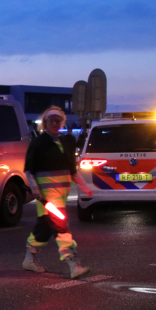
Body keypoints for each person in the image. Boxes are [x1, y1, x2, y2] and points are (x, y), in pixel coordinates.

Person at [22, 106, 94, 279]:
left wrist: (85, 188)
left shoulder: (67, 142)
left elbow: (72, 171)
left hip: (61, 195)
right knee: (61, 226)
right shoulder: (38, 142)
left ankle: (29, 259)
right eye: (51, 121)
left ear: (62, 122)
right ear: (45, 123)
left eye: (58, 121)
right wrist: (35, 189)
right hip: (47, 197)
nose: (55, 124)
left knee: (45, 228)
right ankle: (73, 263)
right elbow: (29, 170)